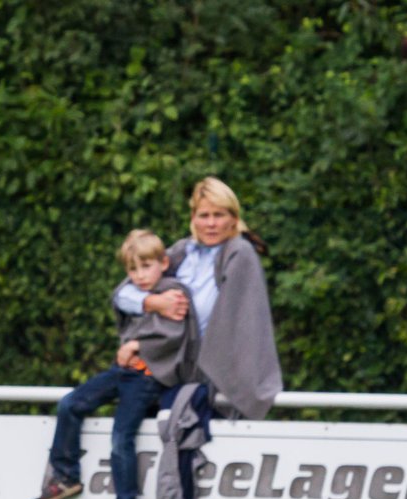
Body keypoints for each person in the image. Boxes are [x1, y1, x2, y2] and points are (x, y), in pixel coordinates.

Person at [30, 229, 196, 499]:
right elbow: (119, 296)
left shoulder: (174, 293)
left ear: (164, 263)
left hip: (148, 378)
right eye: (133, 269)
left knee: (121, 437)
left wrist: (136, 345)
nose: (140, 275)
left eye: (146, 266)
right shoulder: (134, 293)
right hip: (123, 372)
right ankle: (65, 476)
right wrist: (147, 305)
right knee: (70, 404)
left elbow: (176, 339)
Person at [115, 176, 282, 421]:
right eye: (204, 216)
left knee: (178, 429)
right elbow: (122, 294)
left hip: (211, 374)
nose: (211, 224)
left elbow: (239, 326)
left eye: (219, 215)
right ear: (193, 218)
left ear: (233, 218)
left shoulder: (240, 253)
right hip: (170, 366)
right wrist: (153, 303)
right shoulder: (183, 251)